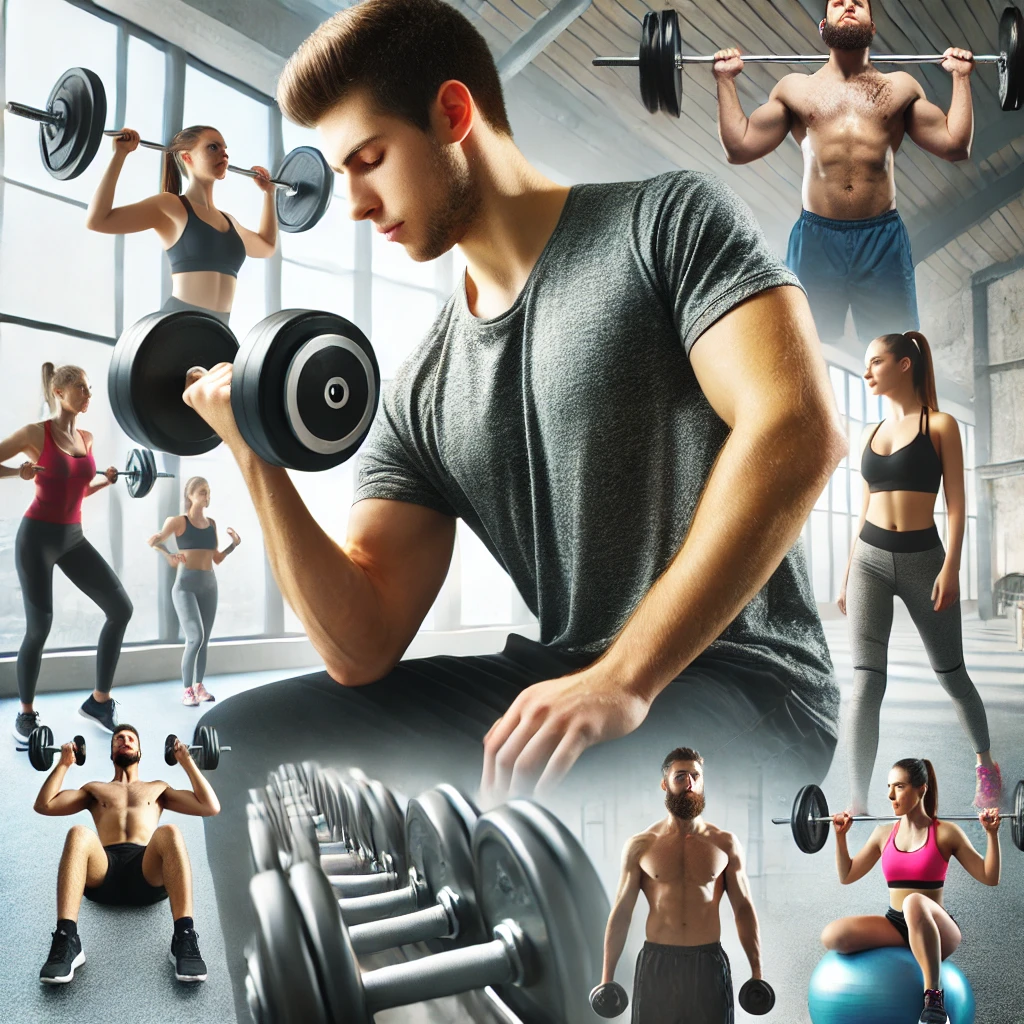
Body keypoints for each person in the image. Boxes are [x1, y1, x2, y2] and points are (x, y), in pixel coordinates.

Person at [177, 3, 846, 1012]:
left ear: (452, 113)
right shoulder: (420, 386)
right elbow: (359, 642)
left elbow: (795, 428)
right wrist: (256, 459)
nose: (352, 202)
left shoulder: (660, 220)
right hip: (571, 674)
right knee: (243, 743)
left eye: (367, 160)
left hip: (746, 679)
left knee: (560, 809)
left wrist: (625, 673)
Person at [713, 0, 975, 343]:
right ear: (824, 26)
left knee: (896, 349)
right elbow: (740, 147)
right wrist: (725, 81)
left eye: (859, 3)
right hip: (816, 239)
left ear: (872, 28)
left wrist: (961, 77)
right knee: (804, 346)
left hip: (881, 240)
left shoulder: (900, 88)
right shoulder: (796, 89)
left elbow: (956, 145)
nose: (849, 5)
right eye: (838, 2)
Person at [837, 331, 999, 812]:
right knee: (866, 682)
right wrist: (848, 571)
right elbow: (862, 506)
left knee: (952, 676)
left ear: (905, 365)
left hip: (924, 562)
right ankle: (859, 798)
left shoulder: (941, 426)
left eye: (877, 362)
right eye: (865, 365)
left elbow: (957, 505)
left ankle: (986, 768)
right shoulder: (867, 434)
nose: (867, 372)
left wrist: (951, 567)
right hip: (869, 559)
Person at [0, 363, 133, 744]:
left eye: (90, 389)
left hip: (72, 539)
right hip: (36, 539)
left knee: (121, 610)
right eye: (81, 388)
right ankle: (25, 715)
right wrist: (18, 473)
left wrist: (104, 482)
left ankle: (99, 702)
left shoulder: (86, 438)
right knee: (39, 628)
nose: (89, 395)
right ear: (59, 392)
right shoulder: (34, 433)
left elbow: (77, 489)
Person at [32, 723, 220, 985]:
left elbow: (210, 806)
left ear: (139, 751)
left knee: (170, 832)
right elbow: (44, 805)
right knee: (78, 832)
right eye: (118, 738)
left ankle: (184, 936)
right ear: (111, 753)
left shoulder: (158, 789)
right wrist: (64, 764)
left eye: (131, 738)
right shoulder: (94, 789)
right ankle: (67, 940)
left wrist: (186, 762)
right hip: (103, 870)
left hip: (146, 870)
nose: (125, 740)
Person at [821, 757, 1000, 1024]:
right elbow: (847, 875)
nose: (890, 795)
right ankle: (915, 949)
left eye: (900, 786)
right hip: (896, 924)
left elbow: (989, 877)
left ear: (921, 789)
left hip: (938, 927)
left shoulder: (946, 833)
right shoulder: (883, 834)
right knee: (833, 936)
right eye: (889, 786)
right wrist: (840, 836)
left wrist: (992, 834)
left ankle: (934, 1002)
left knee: (914, 902)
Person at [599, 748, 765, 1024]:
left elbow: (743, 910)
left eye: (695, 776)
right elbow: (621, 913)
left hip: (708, 964)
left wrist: (756, 973)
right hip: (658, 964)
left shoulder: (725, 844)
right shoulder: (641, 845)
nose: (689, 783)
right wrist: (607, 978)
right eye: (680, 776)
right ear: (665, 784)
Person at [85, 125, 278, 324]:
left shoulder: (229, 221)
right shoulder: (170, 206)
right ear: (187, 157)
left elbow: (267, 247)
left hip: (218, 331)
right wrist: (120, 154)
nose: (224, 154)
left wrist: (269, 193)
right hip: (177, 327)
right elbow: (98, 220)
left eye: (225, 149)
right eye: (213, 147)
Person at [146, 475, 241, 705]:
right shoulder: (178, 521)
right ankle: (187, 690)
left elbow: (216, 558)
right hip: (185, 586)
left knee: (204, 639)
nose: (207, 496)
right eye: (202, 492)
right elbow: (153, 541)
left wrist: (233, 545)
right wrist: (168, 555)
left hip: (209, 585)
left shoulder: (212, 524)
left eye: (208, 491)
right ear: (190, 495)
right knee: (194, 638)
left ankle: (199, 686)